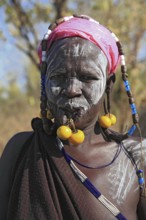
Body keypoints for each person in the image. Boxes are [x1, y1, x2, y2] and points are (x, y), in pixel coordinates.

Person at [0, 14, 146, 220]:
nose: (71, 90)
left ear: (108, 84)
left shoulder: (137, 157)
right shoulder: (20, 149)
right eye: (58, 77)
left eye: (87, 77)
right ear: (45, 81)